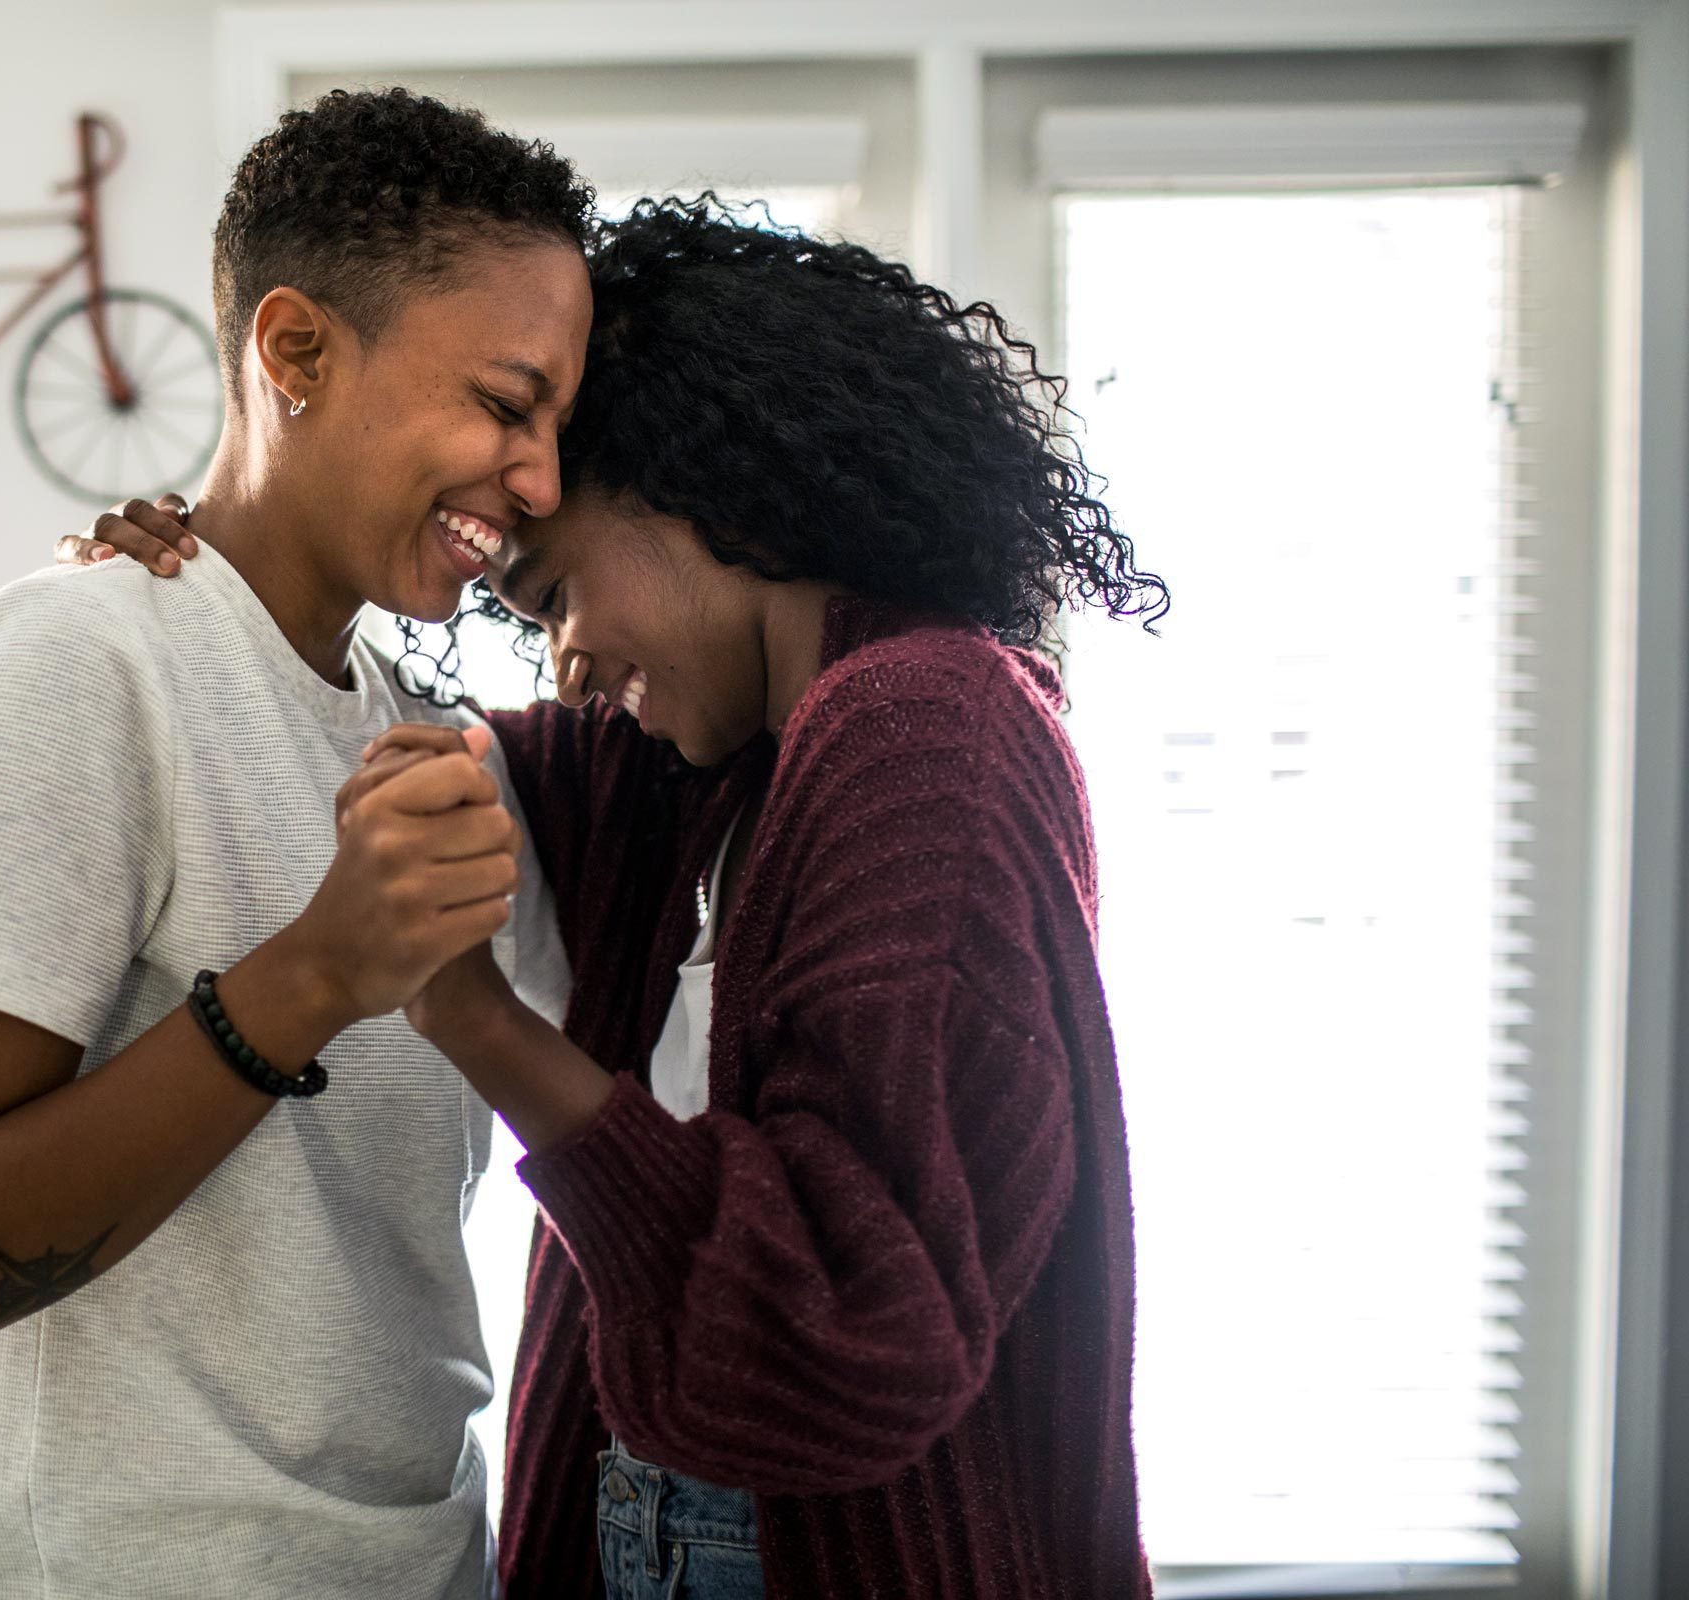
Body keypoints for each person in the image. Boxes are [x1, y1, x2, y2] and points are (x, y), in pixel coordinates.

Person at [66, 196, 1168, 1599]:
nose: (565, 663)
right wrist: (203, 583)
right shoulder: (700, 771)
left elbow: (849, 1325)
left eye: (557, 595)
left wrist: (474, 1020)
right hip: (669, 1516)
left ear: (705, 486)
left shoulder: (927, 728)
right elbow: (397, 756)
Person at [0, 89, 594, 1600]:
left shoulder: (431, 737)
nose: (541, 480)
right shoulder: (71, 668)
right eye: (506, 405)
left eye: (560, 428)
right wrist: (313, 974)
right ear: (297, 351)